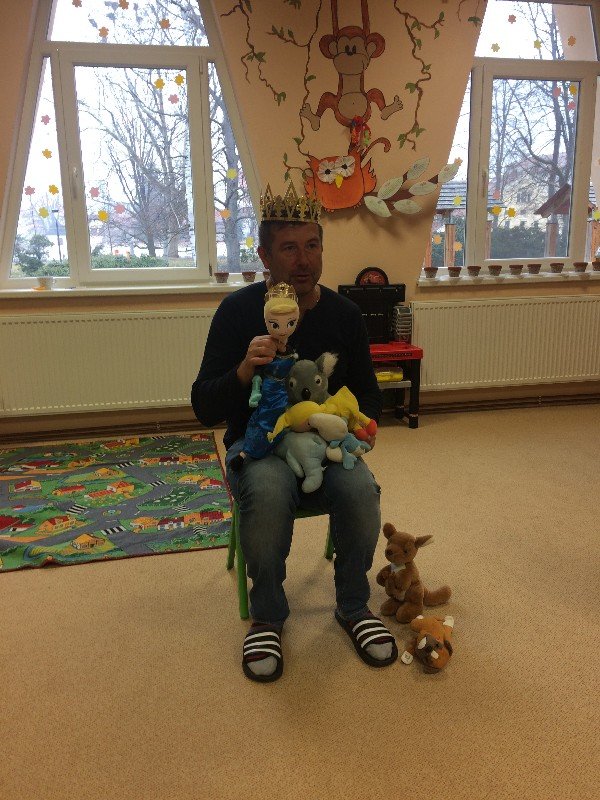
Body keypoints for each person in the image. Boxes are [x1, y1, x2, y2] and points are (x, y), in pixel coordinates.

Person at [191, 182, 398, 682]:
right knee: (266, 491)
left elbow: (368, 395)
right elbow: (202, 406)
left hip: (325, 446)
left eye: (312, 245)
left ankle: (353, 605)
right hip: (259, 445)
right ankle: (267, 617)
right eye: (288, 248)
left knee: (360, 491)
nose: (303, 260)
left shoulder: (345, 315)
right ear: (265, 256)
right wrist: (245, 369)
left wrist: (361, 426)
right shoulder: (237, 312)